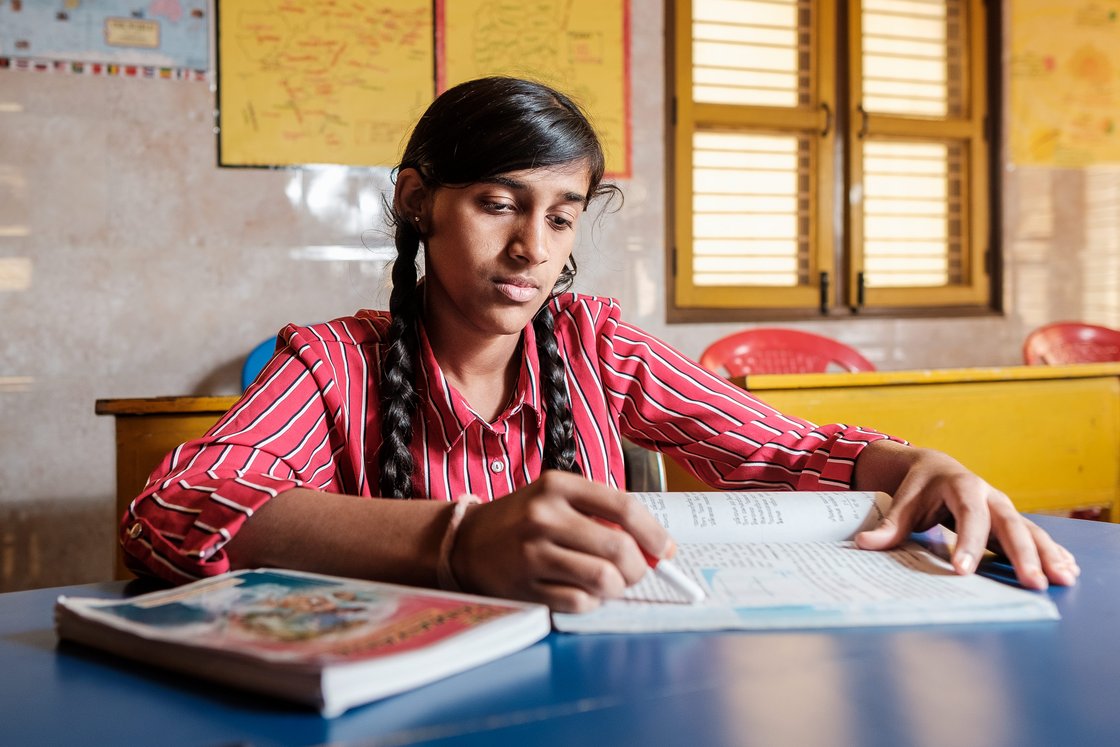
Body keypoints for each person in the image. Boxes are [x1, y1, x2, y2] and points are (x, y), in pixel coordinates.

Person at [120, 76, 1078, 612]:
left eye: (563, 217)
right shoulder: (338, 361)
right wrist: (458, 542)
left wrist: (916, 463)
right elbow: (174, 508)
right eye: (498, 204)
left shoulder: (594, 345)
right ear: (418, 201)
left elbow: (776, 448)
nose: (532, 248)